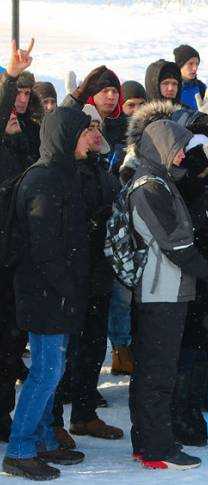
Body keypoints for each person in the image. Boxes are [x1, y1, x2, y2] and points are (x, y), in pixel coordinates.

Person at [127, 118, 208, 470]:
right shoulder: (151, 187)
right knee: (158, 373)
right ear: (161, 149)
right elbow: (179, 246)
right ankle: (158, 448)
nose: (183, 155)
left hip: (164, 289)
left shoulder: (159, 178)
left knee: (152, 371)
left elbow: (188, 175)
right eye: (178, 148)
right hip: (161, 291)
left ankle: (146, 441)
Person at [3, 104, 95, 480]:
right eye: (85, 132)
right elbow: (43, 248)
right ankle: (19, 449)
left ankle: (42, 439)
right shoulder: (43, 180)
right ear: (66, 136)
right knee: (45, 372)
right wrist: (67, 288)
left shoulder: (62, 174)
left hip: (55, 293)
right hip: (43, 294)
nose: (92, 138)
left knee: (51, 372)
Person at [50, 104, 123, 445]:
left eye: (97, 126)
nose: (94, 132)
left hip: (98, 273)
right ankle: (52, 422)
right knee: (59, 354)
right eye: (87, 127)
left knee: (93, 348)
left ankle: (84, 414)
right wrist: (91, 221)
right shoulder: (59, 171)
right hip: (68, 276)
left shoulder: (100, 168)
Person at [0, 40, 37, 447]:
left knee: (10, 347)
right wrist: (9, 77)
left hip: (15, 260)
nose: (16, 109)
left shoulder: (24, 142)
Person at [174, 44, 206, 111]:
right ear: (180, 65)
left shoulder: (201, 87)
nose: (195, 68)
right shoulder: (171, 88)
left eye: (197, 64)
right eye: (190, 64)